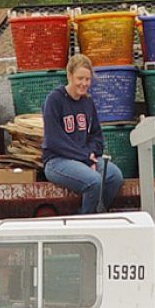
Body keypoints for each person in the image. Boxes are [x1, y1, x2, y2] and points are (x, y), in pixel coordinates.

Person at [41, 54, 123, 214]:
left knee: (114, 176)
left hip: (85, 158)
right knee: (94, 182)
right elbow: (54, 141)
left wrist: (92, 153)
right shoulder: (54, 100)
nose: (84, 83)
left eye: (87, 79)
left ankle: (97, 214)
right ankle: (86, 223)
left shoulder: (88, 103)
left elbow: (97, 137)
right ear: (69, 75)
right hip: (57, 161)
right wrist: (84, 157)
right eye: (80, 78)